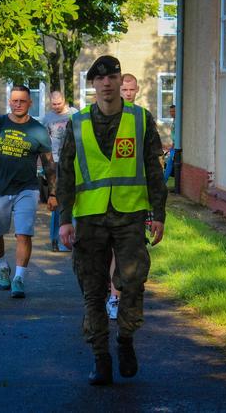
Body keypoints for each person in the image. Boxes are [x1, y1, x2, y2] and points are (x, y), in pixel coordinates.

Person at [57, 55, 167, 385]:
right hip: (89, 219)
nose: (106, 83)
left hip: (130, 215)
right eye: (99, 78)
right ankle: (100, 358)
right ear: (93, 84)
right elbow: (64, 174)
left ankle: (126, 340)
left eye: (112, 76)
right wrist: (64, 219)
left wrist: (158, 215)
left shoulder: (141, 119)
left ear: (121, 81)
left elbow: (154, 170)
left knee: (132, 282)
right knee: (92, 289)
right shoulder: (77, 124)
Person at [0, 86, 58, 298]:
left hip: (26, 188)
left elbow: (49, 164)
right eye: (14, 100)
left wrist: (53, 193)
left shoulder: (38, 130)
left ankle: (19, 278)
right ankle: (2, 267)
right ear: (10, 102)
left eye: (23, 101)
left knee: (24, 233)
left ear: (30, 103)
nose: (18, 104)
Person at [105, 73, 141, 319]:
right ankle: (111, 295)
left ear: (137, 90)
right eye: (124, 90)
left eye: (131, 90)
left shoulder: (140, 119)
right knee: (107, 252)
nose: (127, 94)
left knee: (124, 252)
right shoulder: (109, 117)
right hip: (104, 196)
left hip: (131, 197)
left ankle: (117, 296)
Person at [44, 91, 78, 252]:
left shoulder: (74, 114)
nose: (56, 107)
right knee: (57, 200)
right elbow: (44, 141)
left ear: (64, 100)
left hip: (73, 160)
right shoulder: (47, 119)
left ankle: (72, 238)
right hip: (56, 162)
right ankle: (55, 239)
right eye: (54, 104)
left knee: (73, 198)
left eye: (59, 104)